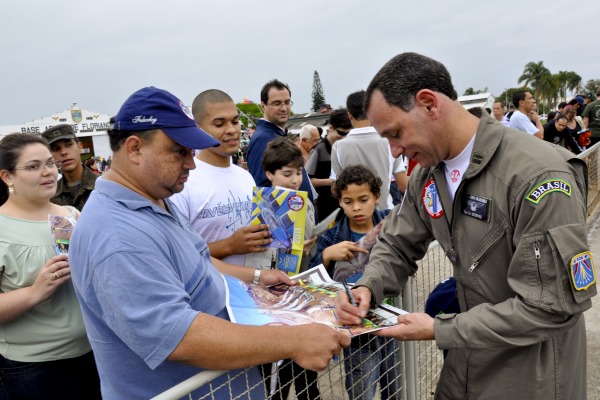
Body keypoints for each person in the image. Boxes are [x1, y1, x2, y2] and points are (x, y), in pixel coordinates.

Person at [334, 52, 595, 399]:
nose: (395, 150)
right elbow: (397, 241)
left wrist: (440, 330)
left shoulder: (537, 176)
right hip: (464, 366)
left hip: (531, 377)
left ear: (428, 104)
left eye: (396, 133)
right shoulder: (429, 173)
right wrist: (368, 287)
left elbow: (550, 307)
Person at [68, 87, 350, 399]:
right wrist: (294, 341)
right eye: (180, 151)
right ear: (134, 148)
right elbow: (178, 337)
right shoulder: (118, 236)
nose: (191, 163)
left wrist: (256, 277)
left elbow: (197, 260)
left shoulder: (155, 198)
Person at [0, 133, 101, 399]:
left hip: (93, 353)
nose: (47, 172)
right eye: (33, 166)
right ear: (7, 176)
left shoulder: (72, 217)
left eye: (49, 163)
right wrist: (35, 292)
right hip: (33, 367)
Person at [309, 164, 399, 400]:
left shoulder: (390, 225)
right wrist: (327, 255)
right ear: (340, 201)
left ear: (377, 197)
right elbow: (312, 280)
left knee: (397, 386)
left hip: (392, 319)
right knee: (362, 390)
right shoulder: (332, 236)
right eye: (348, 201)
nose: (357, 207)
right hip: (356, 329)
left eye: (363, 199)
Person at [171, 89, 272, 266]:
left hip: (256, 287)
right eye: (219, 124)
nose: (232, 130)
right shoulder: (184, 182)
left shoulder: (245, 177)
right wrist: (229, 246)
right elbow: (177, 254)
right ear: (198, 128)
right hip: (213, 291)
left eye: (235, 121)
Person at [259, 137, 320, 400]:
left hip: (301, 289)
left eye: (298, 172)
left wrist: (311, 243)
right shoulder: (263, 205)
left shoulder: (303, 200)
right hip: (273, 296)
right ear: (270, 174)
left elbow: (310, 239)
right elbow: (258, 253)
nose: (295, 179)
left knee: (305, 365)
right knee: (277, 368)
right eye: (287, 174)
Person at [246, 79, 315, 204]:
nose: (284, 108)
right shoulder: (263, 139)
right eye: (277, 103)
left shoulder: (276, 134)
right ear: (263, 106)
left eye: (287, 102)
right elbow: (262, 189)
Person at [330, 90, 394, 210]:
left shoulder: (338, 146)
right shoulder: (389, 142)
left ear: (350, 116)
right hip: (385, 213)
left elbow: (335, 188)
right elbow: (403, 184)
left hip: (355, 213)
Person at [306, 108, 351, 222]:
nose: (344, 137)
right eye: (341, 133)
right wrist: (332, 181)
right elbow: (307, 180)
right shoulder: (319, 149)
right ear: (331, 128)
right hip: (325, 206)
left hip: (344, 204)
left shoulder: (345, 147)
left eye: (348, 134)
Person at [41, 124, 100, 211]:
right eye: (56, 149)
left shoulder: (102, 186)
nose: (63, 152)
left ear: (80, 147)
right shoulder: (50, 195)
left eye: (68, 145)